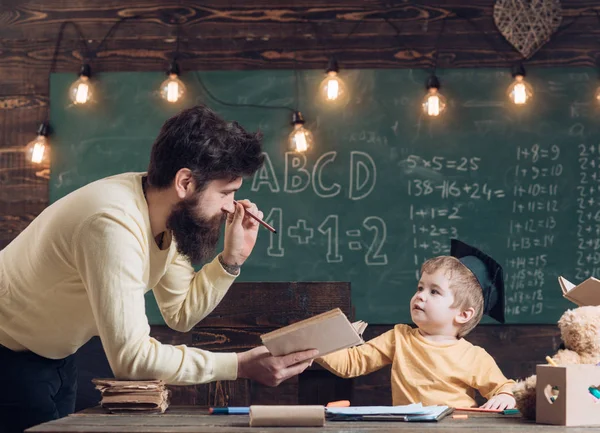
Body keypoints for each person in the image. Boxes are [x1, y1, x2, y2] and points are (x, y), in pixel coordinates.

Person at [0, 105, 318, 432]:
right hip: (9, 354)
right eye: (226, 193)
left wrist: (231, 260)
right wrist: (240, 365)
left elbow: (179, 312)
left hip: (58, 356)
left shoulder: (165, 216)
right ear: (185, 182)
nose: (231, 207)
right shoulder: (112, 225)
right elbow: (133, 361)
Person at [316, 239, 516, 410]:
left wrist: (506, 395)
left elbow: (504, 387)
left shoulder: (473, 356)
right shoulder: (399, 338)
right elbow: (352, 362)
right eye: (420, 287)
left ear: (463, 314)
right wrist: (313, 347)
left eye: (434, 291)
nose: (420, 295)